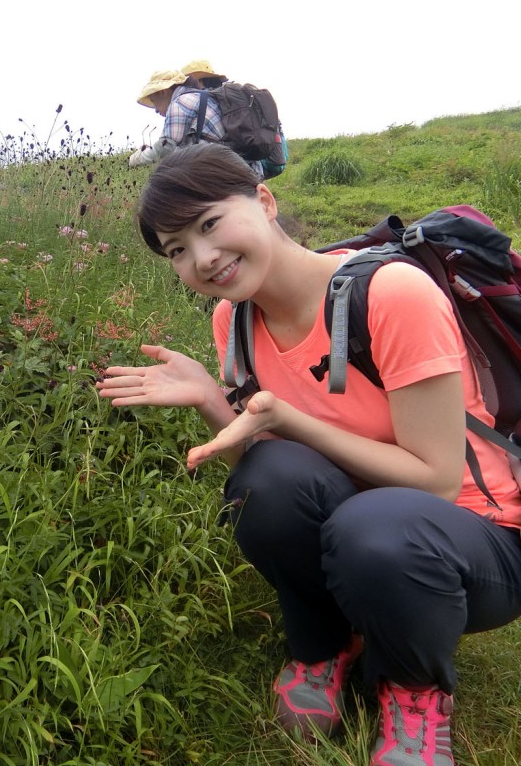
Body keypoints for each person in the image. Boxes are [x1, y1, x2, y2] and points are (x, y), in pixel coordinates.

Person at [96, 143, 521, 765]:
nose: (202, 257)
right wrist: (214, 401)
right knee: (264, 482)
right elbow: (274, 460)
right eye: (177, 249)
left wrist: (290, 419)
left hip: (474, 543)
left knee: (373, 525)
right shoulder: (233, 321)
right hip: (367, 533)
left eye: (210, 224)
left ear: (264, 201)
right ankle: (323, 647)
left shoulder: (392, 293)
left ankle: (414, 692)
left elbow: (432, 483)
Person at [128, 60, 265, 179]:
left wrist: (137, 159)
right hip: (247, 169)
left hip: (228, 173)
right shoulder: (203, 97)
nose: (156, 110)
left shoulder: (180, 102)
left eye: (154, 101)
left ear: (163, 91)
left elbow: (166, 146)